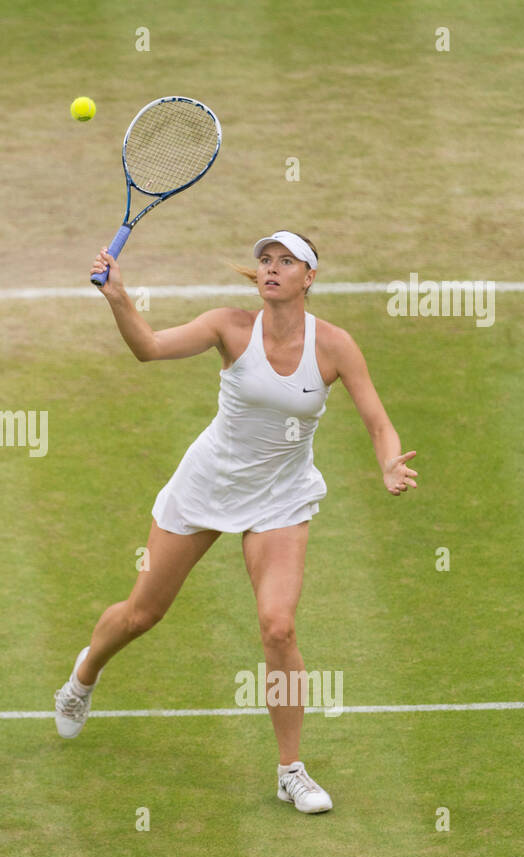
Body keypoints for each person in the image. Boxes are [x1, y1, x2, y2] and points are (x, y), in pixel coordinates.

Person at [54, 231, 419, 813]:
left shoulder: (335, 346)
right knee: (142, 614)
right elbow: (148, 347)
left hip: (281, 496)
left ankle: (290, 770)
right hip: (207, 485)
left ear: (308, 278)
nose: (272, 269)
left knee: (279, 627)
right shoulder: (227, 326)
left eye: (286, 262)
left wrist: (388, 463)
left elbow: (378, 421)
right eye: (265, 261)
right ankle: (83, 677)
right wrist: (118, 296)